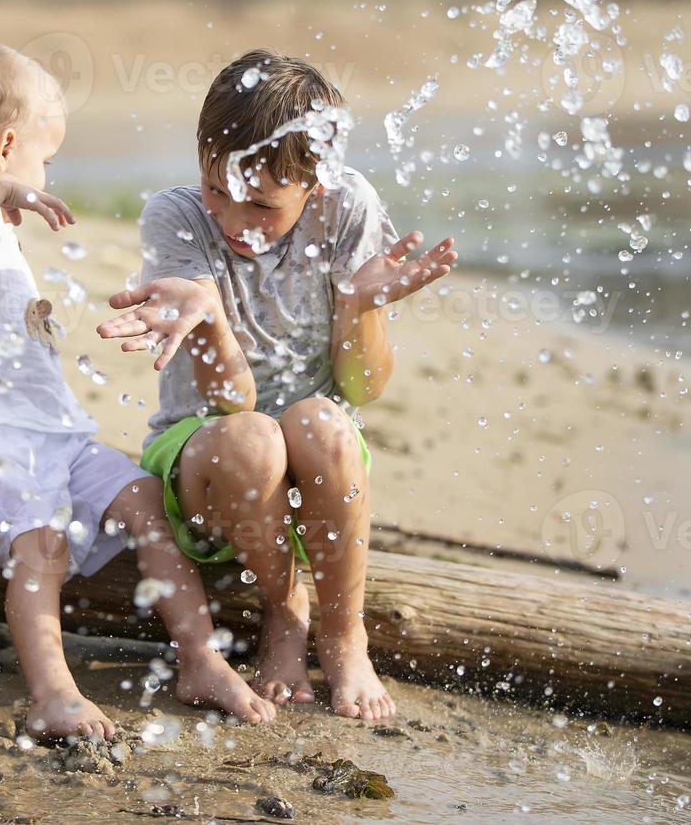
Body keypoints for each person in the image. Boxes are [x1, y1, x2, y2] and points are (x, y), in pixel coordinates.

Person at [0, 43, 276, 742]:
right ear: (5, 147)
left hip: (50, 437)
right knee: (39, 544)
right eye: (42, 162)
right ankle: (54, 693)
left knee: (144, 499)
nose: (43, 177)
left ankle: (199, 657)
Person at [97, 49, 457, 722]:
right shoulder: (176, 218)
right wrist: (211, 326)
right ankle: (285, 611)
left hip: (317, 464)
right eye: (217, 190)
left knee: (323, 419)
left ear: (315, 186)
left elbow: (364, 386)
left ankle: (344, 634)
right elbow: (232, 404)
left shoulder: (348, 210)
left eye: (261, 205)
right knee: (256, 437)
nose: (233, 221)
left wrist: (360, 304)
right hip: (206, 456)